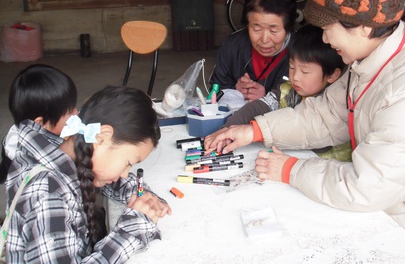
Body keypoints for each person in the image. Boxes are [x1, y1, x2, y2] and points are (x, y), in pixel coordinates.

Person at [205, 0, 405, 262]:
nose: (323, 37)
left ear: (362, 27)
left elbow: (365, 188)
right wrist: (254, 130)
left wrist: (291, 169)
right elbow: (325, 114)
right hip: (389, 214)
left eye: (328, 27)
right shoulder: (374, 56)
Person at [5, 86, 172, 263]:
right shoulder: (48, 195)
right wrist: (130, 232)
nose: (125, 174)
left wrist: (139, 194)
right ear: (101, 138)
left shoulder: (72, 149)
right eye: (128, 163)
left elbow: (112, 181)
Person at [205, 24, 351, 160]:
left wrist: (255, 131)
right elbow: (257, 107)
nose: (295, 77)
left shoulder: (336, 101)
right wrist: (228, 129)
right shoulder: (286, 91)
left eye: (305, 71)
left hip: (327, 166)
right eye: (292, 67)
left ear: (332, 75)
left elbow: (314, 137)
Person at [209, 0, 297, 101]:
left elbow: (310, 101)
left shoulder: (303, 51)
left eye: (273, 31)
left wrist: (268, 99)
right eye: (256, 29)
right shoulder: (232, 46)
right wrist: (233, 92)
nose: (265, 40)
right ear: (247, 25)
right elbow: (215, 89)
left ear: (288, 28)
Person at [0, 64, 78, 184]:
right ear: (40, 124)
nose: (76, 113)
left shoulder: (38, 129)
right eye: (70, 111)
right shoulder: (22, 157)